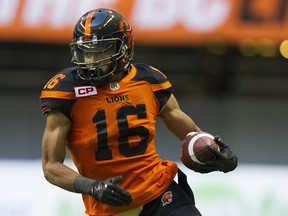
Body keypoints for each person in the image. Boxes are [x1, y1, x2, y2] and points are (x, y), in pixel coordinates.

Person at [40, 8, 237, 216]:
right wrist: (91, 186)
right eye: (86, 51)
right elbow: (51, 166)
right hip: (109, 208)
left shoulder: (149, 80)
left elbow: (191, 134)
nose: (90, 60)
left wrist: (214, 153)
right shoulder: (66, 90)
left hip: (159, 192)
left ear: (124, 49)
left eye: (101, 51)